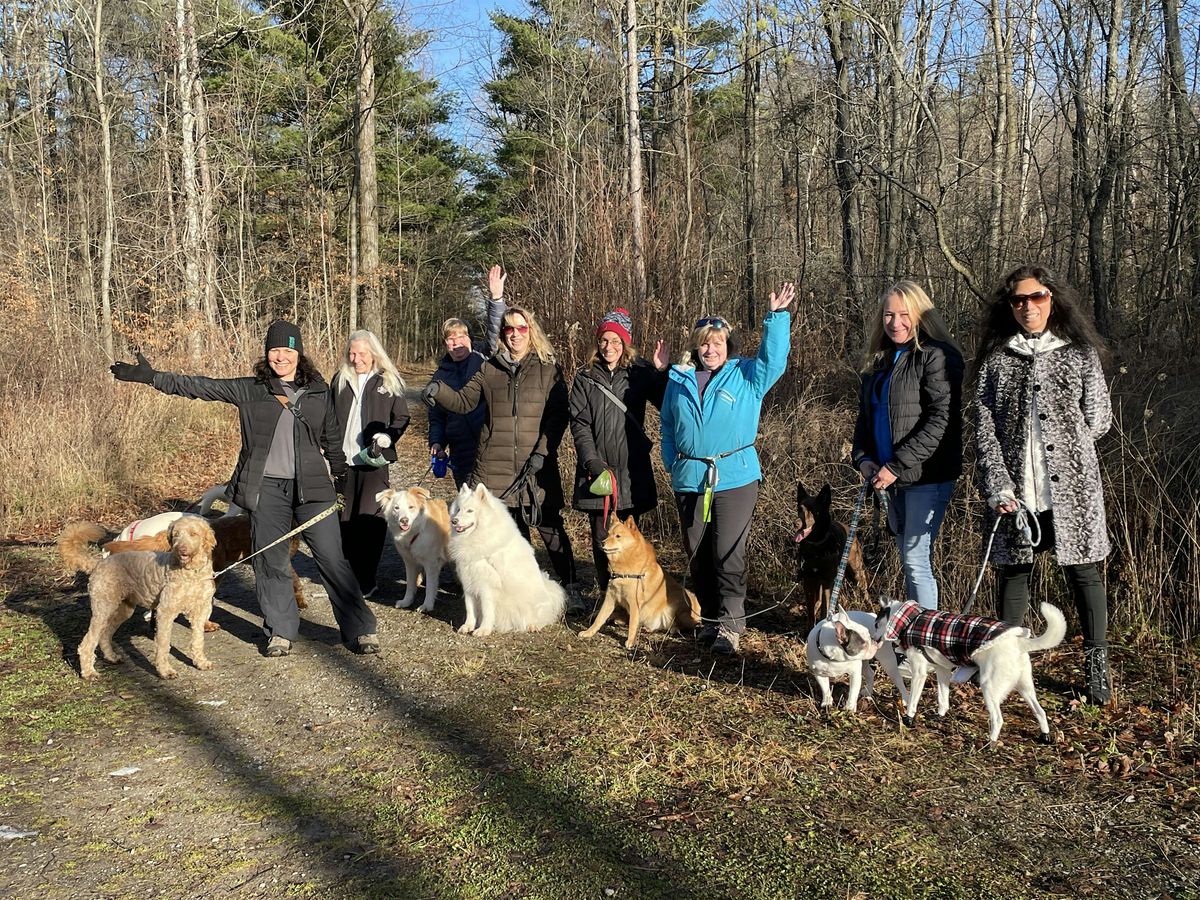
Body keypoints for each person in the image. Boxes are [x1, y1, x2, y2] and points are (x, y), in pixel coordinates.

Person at [109, 321, 380, 658]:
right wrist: (152, 378)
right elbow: (199, 386)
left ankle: (360, 629)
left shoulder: (318, 392)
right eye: (274, 350)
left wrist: (339, 478)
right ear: (267, 353)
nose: (280, 356)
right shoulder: (250, 389)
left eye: (287, 350)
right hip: (267, 491)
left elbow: (333, 442)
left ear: (299, 353)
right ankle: (280, 631)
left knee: (333, 560)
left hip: (314, 490)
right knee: (271, 562)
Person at [974, 264, 1113, 704]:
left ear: (1053, 299)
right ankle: (1007, 666)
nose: (1028, 306)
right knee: (1014, 574)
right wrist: (999, 484)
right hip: (1016, 495)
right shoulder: (996, 361)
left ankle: (1098, 670)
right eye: (1019, 300)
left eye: (1036, 297)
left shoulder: (1079, 354)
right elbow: (983, 428)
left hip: (1073, 494)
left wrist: (1067, 454)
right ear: (1009, 307)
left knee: (1084, 574)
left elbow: (1100, 421)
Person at [420, 299, 584, 611]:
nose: (514, 334)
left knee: (550, 526)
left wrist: (543, 453)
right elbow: (464, 401)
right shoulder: (488, 369)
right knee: (513, 535)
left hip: (536, 464)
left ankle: (571, 586)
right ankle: (521, 593)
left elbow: (558, 417)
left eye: (521, 328)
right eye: (508, 328)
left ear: (531, 332)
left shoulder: (549, 371)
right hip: (494, 466)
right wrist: (438, 392)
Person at [660, 283, 795, 655]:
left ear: (727, 346)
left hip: (734, 477)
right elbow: (668, 426)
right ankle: (709, 620)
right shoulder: (679, 379)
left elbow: (775, 359)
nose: (711, 349)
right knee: (698, 552)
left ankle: (731, 624)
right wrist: (671, 460)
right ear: (696, 346)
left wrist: (776, 318)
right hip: (689, 477)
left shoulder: (748, 375)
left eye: (718, 343)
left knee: (727, 551)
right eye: (705, 343)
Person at [851, 280, 964, 610]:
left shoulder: (938, 356)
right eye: (888, 314)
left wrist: (896, 465)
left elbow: (940, 420)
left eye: (904, 314)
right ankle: (914, 638)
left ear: (920, 315)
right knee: (907, 558)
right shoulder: (881, 360)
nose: (895, 322)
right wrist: (864, 459)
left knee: (916, 560)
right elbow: (865, 419)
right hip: (887, 478)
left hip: (924, 477)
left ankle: (926, 642)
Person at [569, 309, 669, 594]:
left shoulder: (640, 373)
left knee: (631, 540)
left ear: (625, 343)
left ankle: (637, 597)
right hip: (597, 474)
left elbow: (668, 404)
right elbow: (579, 423)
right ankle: (608, 596)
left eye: (615, 340)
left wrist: (663, 373)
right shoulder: (585, 377)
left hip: (632, 472)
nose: (608, 346)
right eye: (603, 340)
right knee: (603, 539)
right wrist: (591, 461)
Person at [331, 329, 410, 598]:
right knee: (344, 520)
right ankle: (348, 576)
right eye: (352, 353)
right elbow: (328, 417)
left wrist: (388, 437)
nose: (356, 359)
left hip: (373, 461)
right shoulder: (340, 380)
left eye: (362, 353)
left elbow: (401, 418)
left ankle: (367, 579)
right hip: (342, 462)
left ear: (373, 353)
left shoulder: (388, 381)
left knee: (369, 521)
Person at [427, 265, 507, 488]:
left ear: (471, 339)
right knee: (469, 512)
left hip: (490, 447)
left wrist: (496, 298)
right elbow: (437, 416)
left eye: (462, 337)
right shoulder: (440, 375)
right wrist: (437, 443)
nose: (457, 342)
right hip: (461, 452)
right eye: (451, 339)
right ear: (445, 343)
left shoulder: (485, 357)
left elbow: (496, 333)